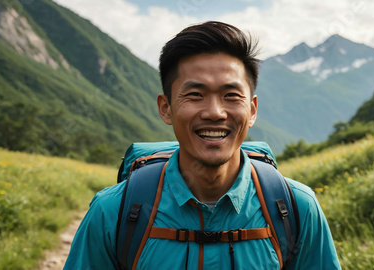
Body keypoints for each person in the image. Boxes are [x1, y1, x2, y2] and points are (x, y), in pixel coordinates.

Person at [64, 21, 341, 269]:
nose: (215, 112)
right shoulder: (112, 212)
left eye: (231, 95)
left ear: (252, 110)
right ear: (166, 108)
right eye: (195, 94)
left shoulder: (297, 209)